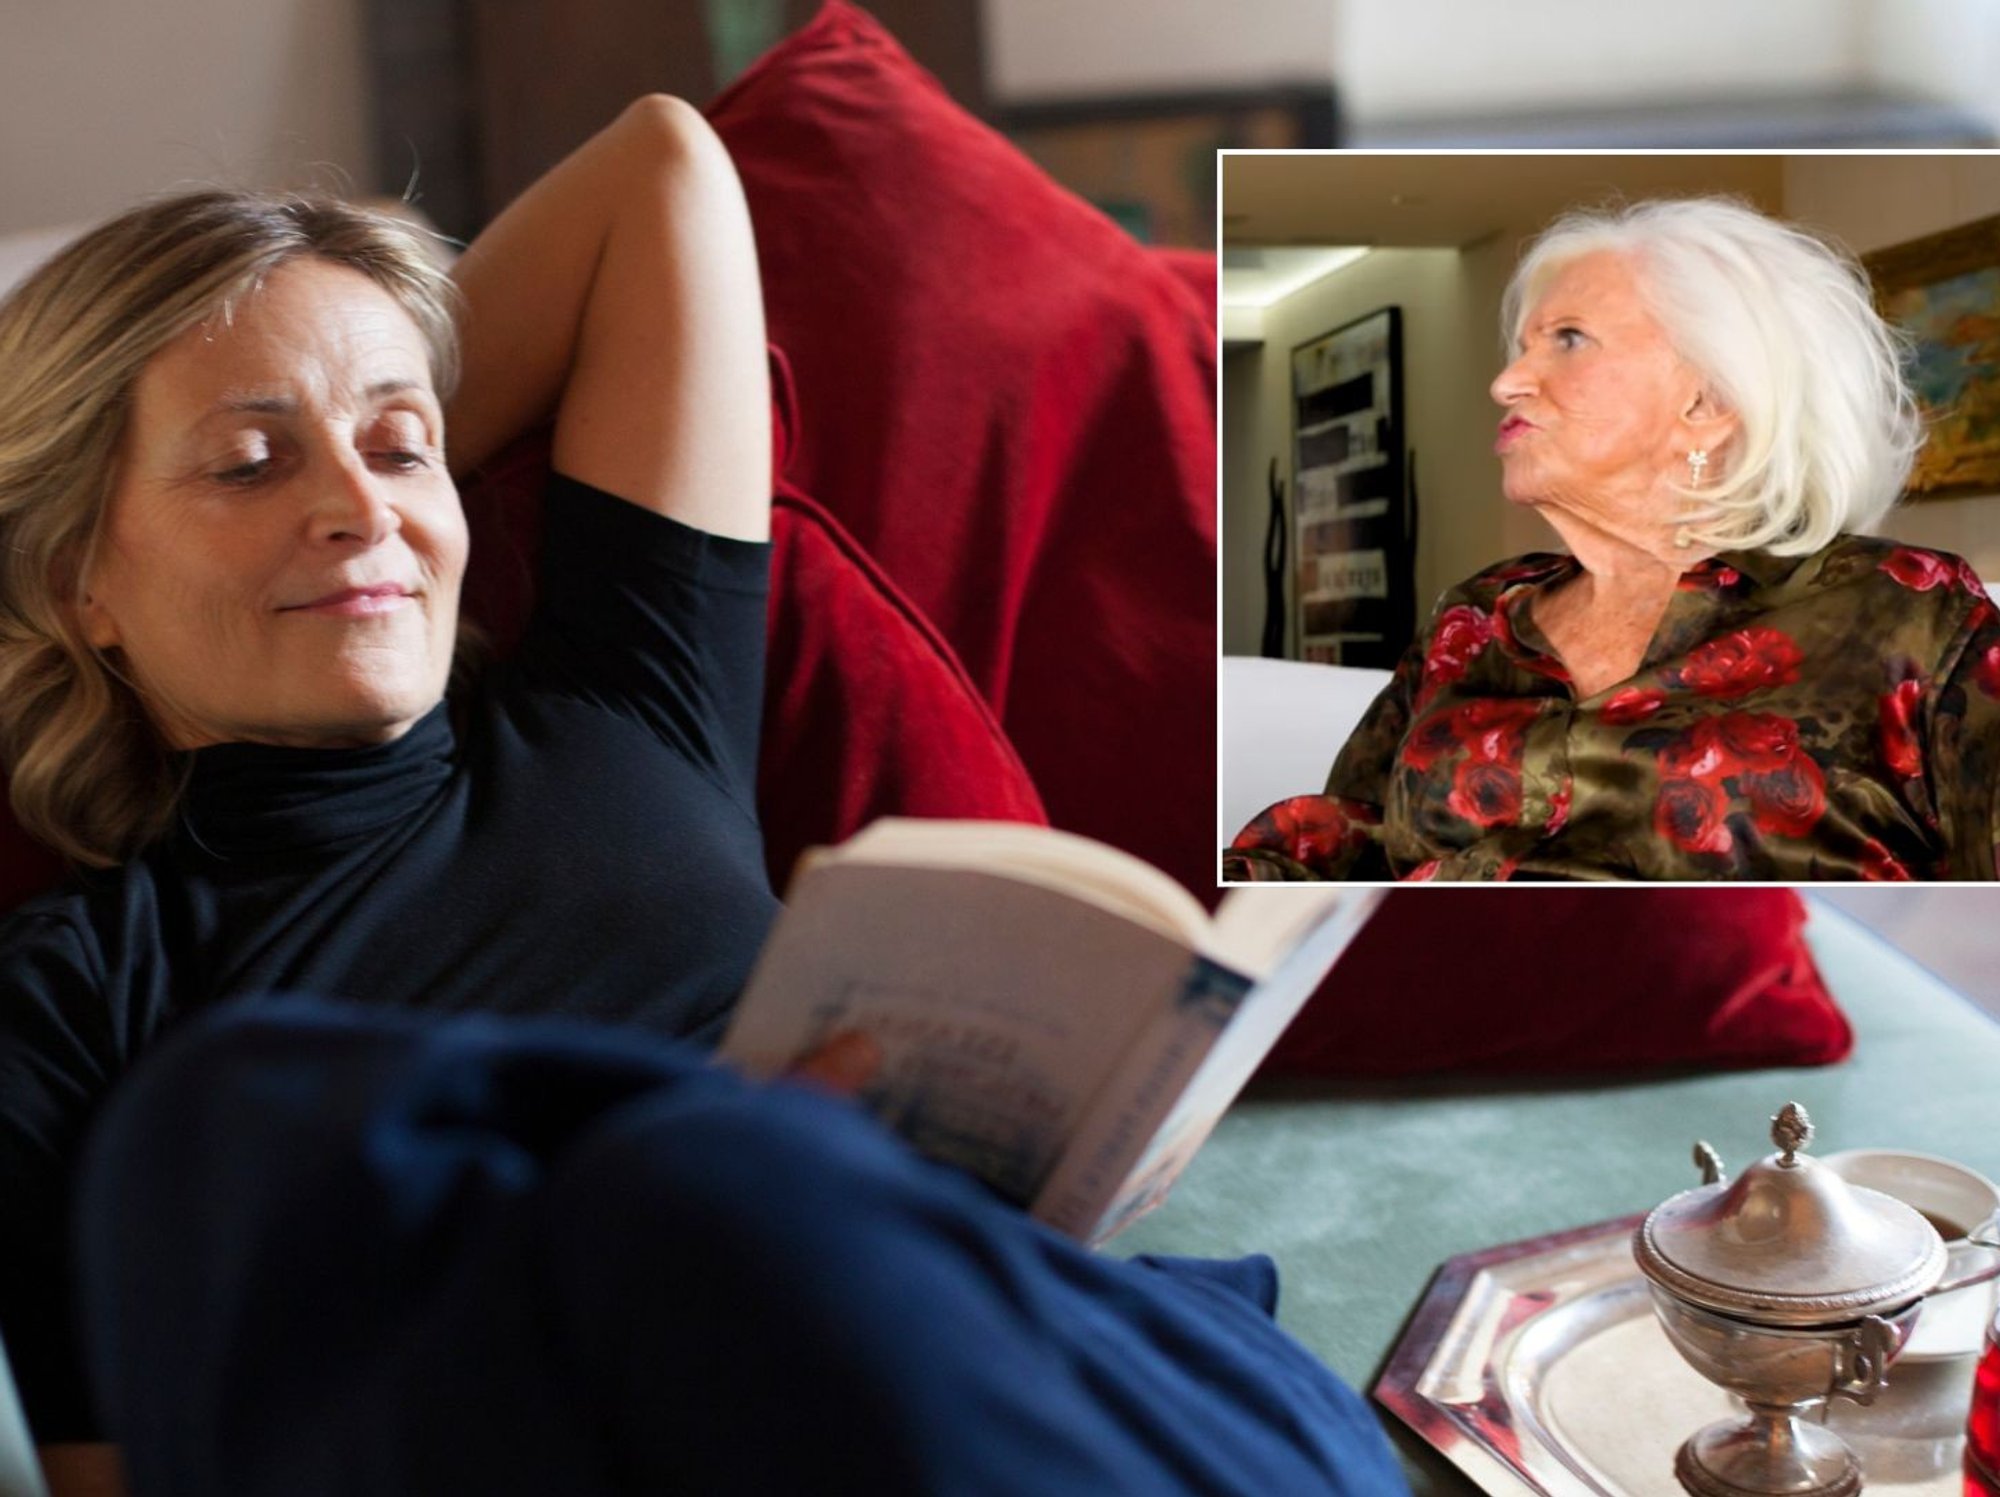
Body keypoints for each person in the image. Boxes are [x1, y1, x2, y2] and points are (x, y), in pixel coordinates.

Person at [0, 100, 1406, 1496]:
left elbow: (661, 171)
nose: (364, 508)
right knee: (278, 1130)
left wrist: (350, 442)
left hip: (1043, 1376)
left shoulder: (627, 699)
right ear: (78, 584)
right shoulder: (73, 998)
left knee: (691, 1193)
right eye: (249, 463)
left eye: (405, 443)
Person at [1228, 195, 2000, 883]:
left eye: (1567, 338)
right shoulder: (1476, 617)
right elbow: (1353, 835)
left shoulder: (1907, 611)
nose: (1507, 382)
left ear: (1707, 400)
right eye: (1525, 344)